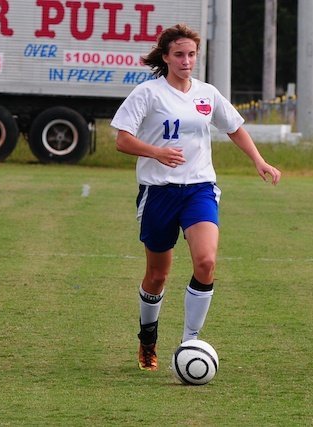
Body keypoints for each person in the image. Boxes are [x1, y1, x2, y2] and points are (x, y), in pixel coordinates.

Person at [111, 23, 281, 371]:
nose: (186, 61)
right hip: (158, 192)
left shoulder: (207, 93)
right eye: (179, 55)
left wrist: (259, 160)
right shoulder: (148, 94)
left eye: (191, 54)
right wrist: (156, 152)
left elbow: (234, 127)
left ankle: (190, 341)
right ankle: (148, 337)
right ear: (166, 57)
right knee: (157, 275)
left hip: (199, 188)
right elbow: (122, 140)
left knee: (205, 262)